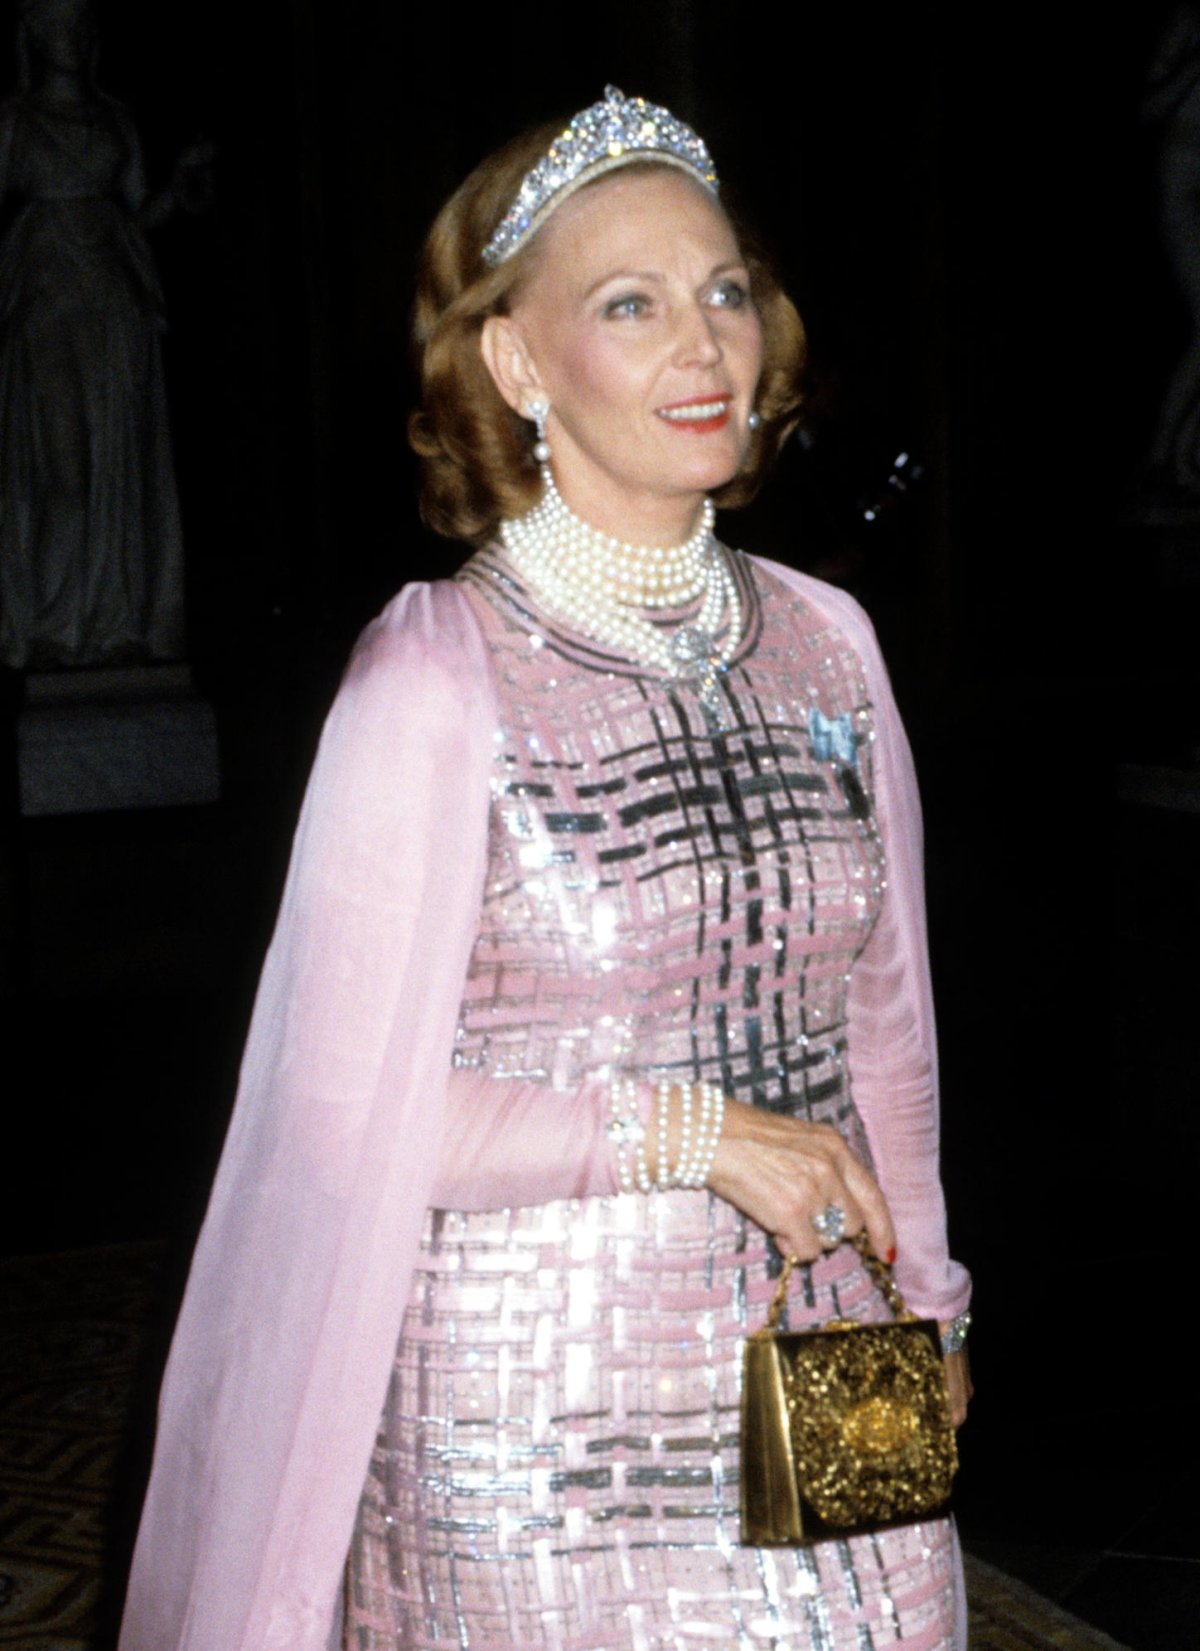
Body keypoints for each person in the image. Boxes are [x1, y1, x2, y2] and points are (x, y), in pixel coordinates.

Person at [119, 88, 972, 1651]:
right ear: (516, 362)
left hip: (831, 1333)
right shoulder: (435, 677)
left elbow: (888, 1030)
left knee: (898, 1621)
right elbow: (340, 1115)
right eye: (631, 305)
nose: (705, 347)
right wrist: (686, 1132)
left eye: (725, 291)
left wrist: (928, 1288)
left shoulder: (829, 641)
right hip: (537, 1410)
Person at [0, 0, 204, 667]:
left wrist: (179, 187)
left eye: (79, 22)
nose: (70, 34)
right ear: (34, 35)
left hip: (113, 301)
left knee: (120, 459)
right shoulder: (15, 122)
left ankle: (114, 621)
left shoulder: (114, 118)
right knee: (64, 472)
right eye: (55, 22)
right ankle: (53, 624)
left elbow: (140, 211)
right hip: (46, 294)